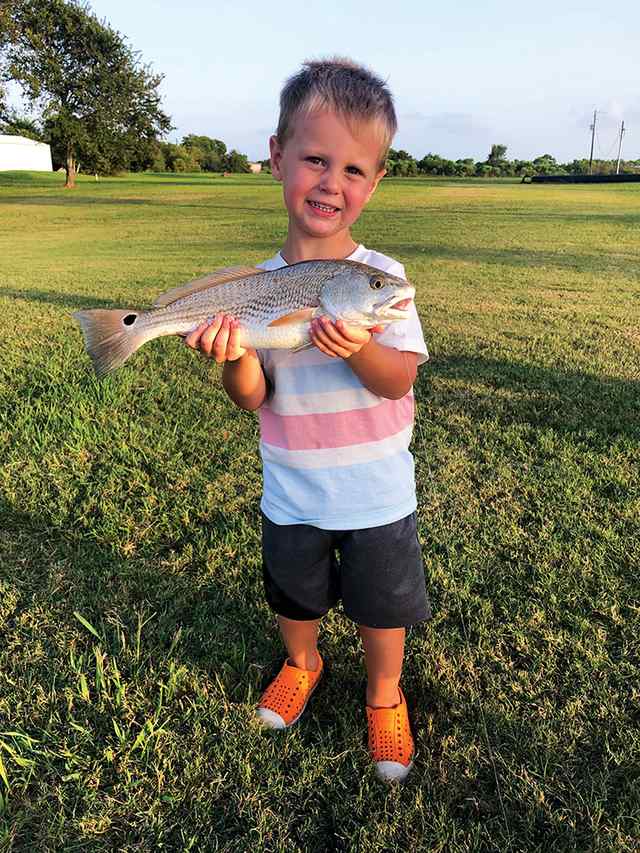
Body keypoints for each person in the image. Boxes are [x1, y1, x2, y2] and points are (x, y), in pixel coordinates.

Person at [185, 58, 430, 783]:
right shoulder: (254, 286)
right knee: (295, 595)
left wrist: (356, 348)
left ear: (375, 181)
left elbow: (399, 380)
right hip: (292, 485)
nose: (332, 182)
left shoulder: (379, 280)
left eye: (354, 169)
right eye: (315, 159)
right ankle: (302, 661)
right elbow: (252, 396)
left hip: (378, 491)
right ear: (276, 157)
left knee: (383, 609)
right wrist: (233, 355)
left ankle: (384, 694)